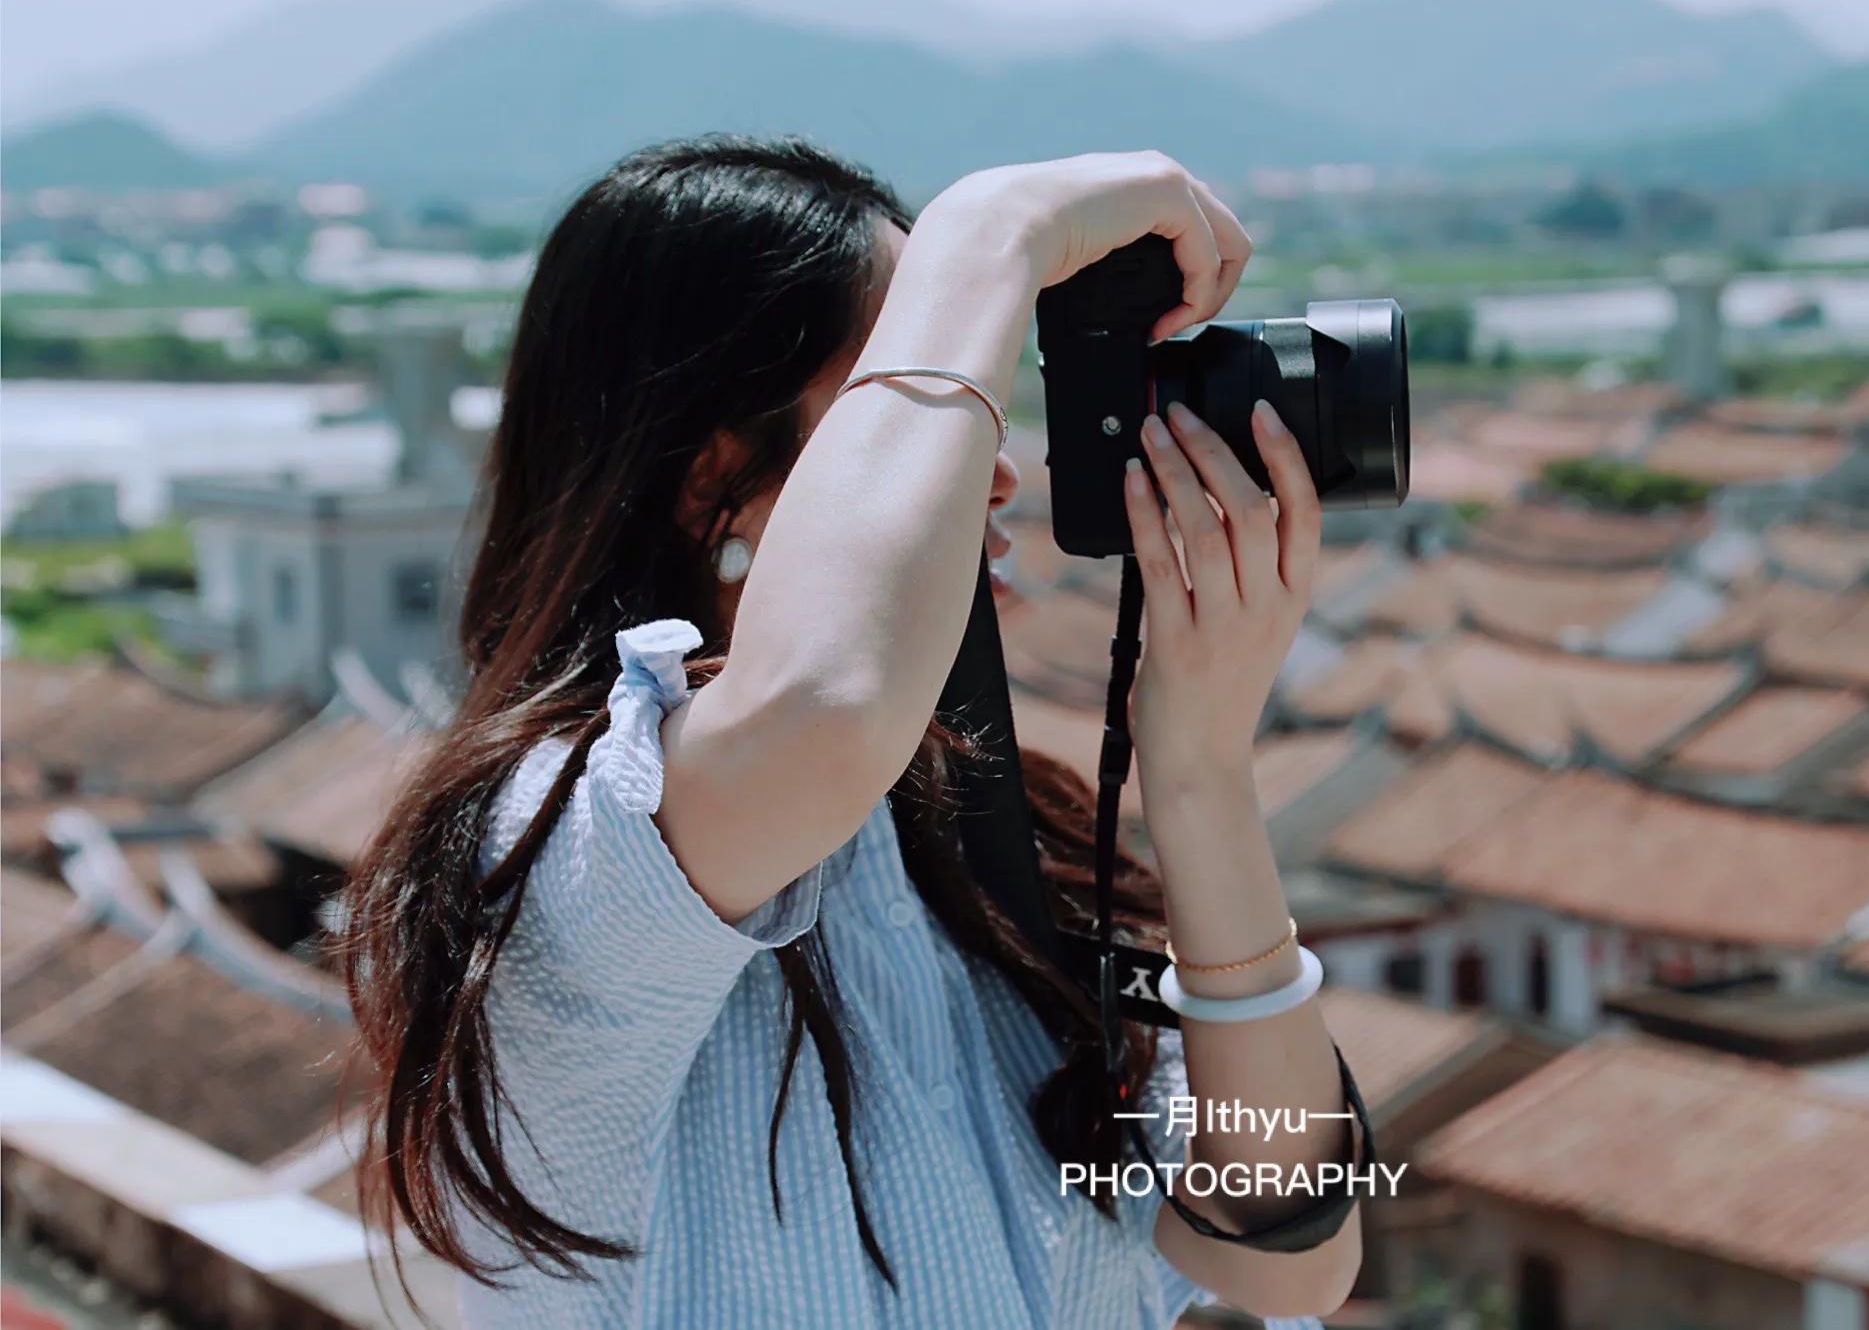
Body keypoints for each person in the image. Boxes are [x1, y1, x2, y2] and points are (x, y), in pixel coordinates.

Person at [338, 137, 1364, 1328]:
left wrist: (1198, 773)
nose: (984, 470)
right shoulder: (543, 843)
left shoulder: (985, 842)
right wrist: (988, 233)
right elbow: (824, 706)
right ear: (709, 465)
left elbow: (1283, 1252)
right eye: (916, 398)